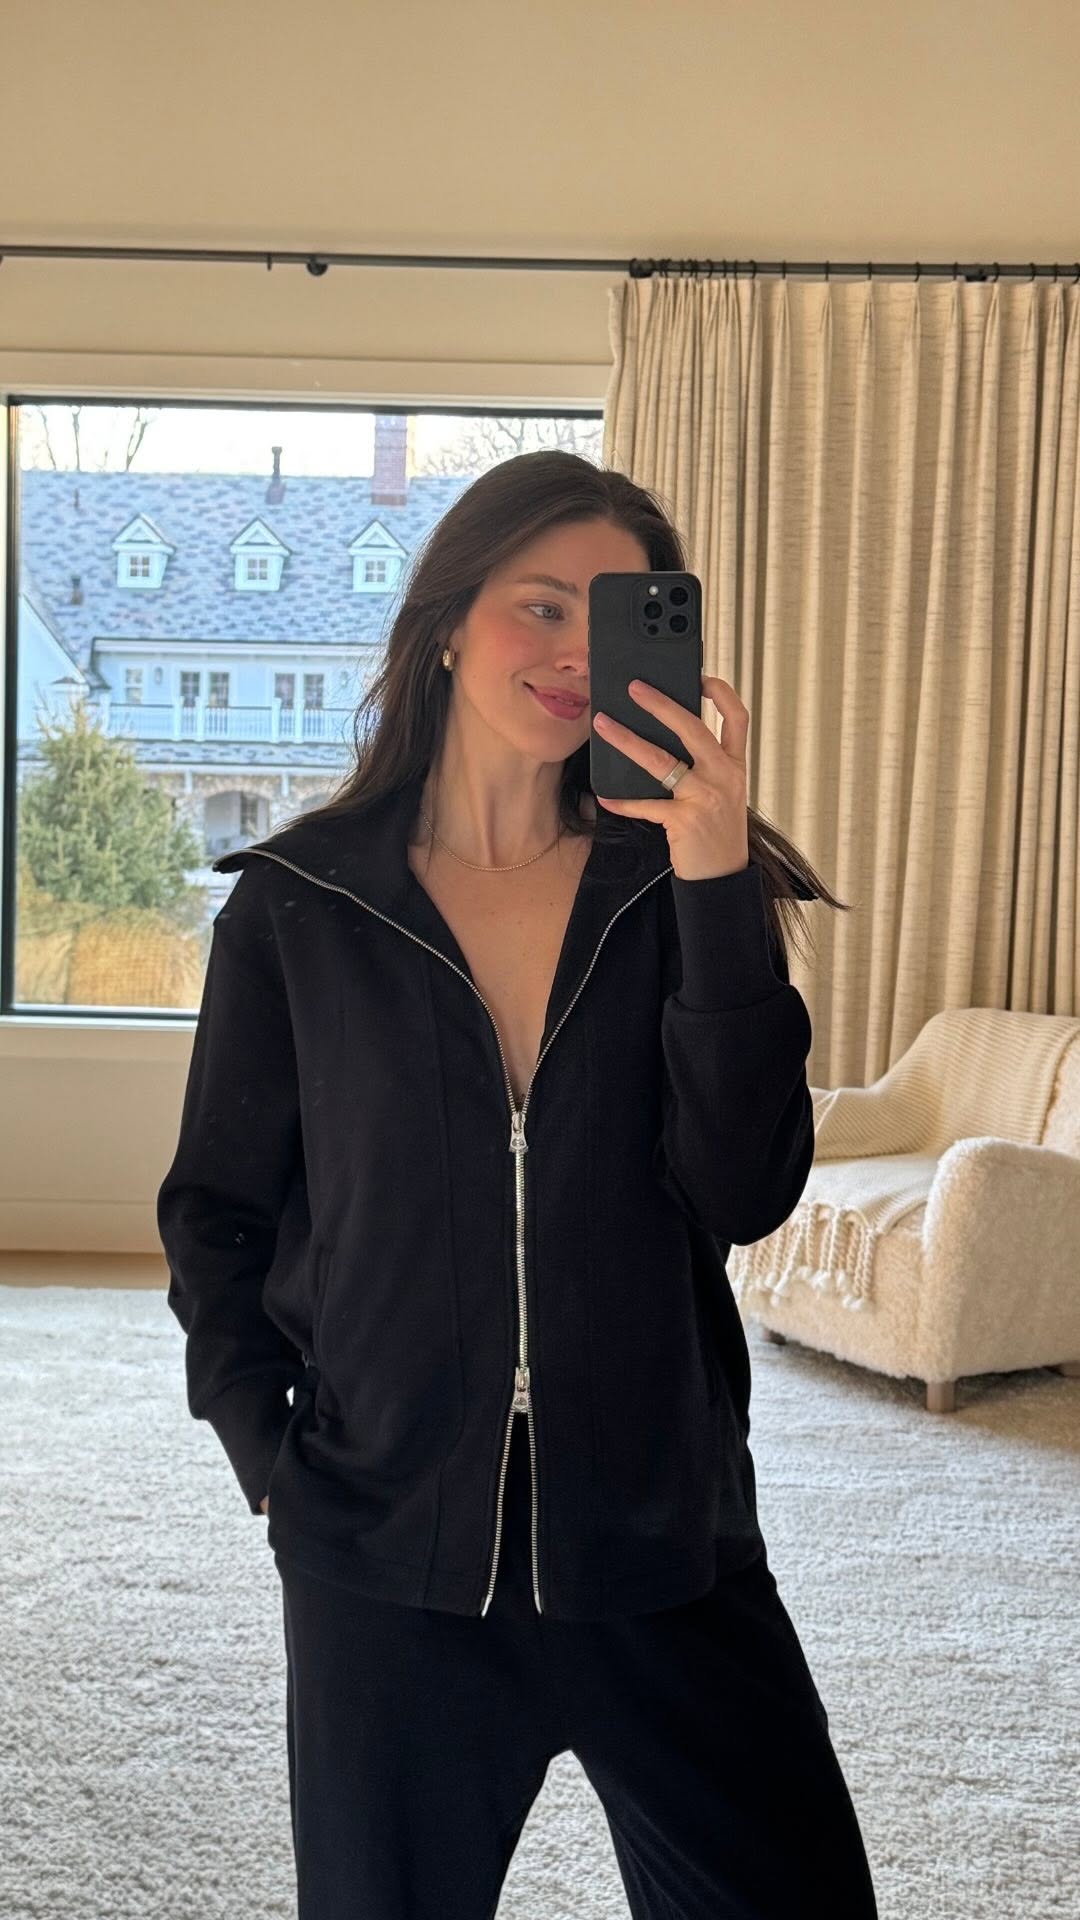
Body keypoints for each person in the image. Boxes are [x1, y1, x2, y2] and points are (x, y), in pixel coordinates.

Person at [158, 450, 876, 1917]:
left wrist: (714, 880)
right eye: (539, 606)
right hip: (385, 1558)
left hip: (659, 1536)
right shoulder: (302, 907)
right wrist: (268, 1457)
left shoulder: (679, 888)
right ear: (446, 622)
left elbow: (744, 1189)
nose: (571, 655)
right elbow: (219, 1212)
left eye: (611, 621)